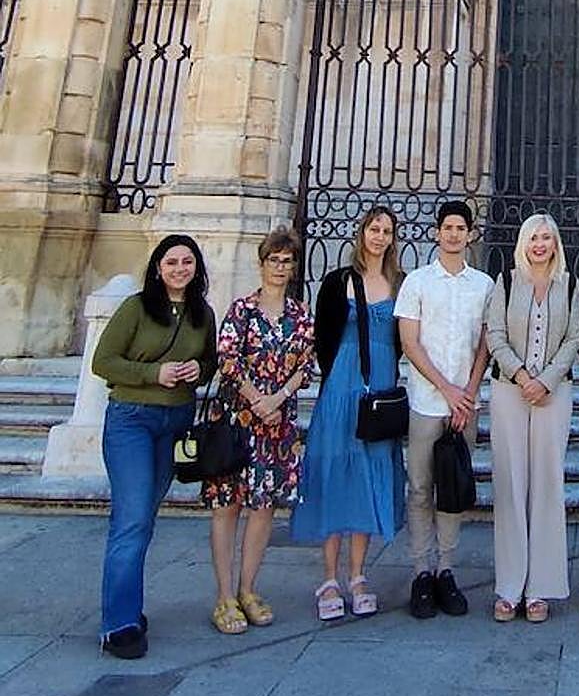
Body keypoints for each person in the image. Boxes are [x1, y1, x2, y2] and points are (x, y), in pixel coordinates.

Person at [93, 234, 217, 658]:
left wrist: (198, 369)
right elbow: (103, 361)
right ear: (158, 269)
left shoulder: (202, 313)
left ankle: (125, 605)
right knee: (131, 519)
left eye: (187, 262)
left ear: (197, 268)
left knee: (143, 518)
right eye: (171, 262)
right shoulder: (136, 308)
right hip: (132, 419)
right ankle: (119, 624)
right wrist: (154, 374)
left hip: (176, 421)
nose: (180, 269)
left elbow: (210, 362)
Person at [292, 206, 406, 620]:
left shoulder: (400, 283)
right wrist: (339, 377)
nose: (379, 237)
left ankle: (357, 575)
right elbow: (323, 337)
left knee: (368, 476)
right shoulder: (337, 281)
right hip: (342, 386)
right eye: (374, 229)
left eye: (387, 231)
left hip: (381, 389)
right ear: (362, 233)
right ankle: (328, 577)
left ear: (393, 239)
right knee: (336, 473)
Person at [202, 227, 314, 634]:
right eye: (274, 260)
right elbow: (227, 359)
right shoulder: (241, 310)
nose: (280, 267)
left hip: (276, 423)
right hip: (239, 420)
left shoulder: (300, 315)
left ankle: (248, 589)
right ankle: (224, 595)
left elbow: (306, 364)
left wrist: (277, 398)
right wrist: (257, 399)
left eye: (287, 261)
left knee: (264, 506)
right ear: (262, 264)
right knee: (227, 504)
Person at [395, 200, 493, 619]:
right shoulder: (417, 282)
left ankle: (446, 569)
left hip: (464, 405)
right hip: (426, 401)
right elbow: (409, 342)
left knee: (453, 488)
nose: (454, 234)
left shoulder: (484, 285)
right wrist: (446, 389)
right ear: (437, 232)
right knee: (420, 487)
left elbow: (486, 342)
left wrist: (467, 393)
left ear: (470, 234)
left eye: (460, 228)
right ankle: (421, 571)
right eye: (448, 227)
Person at [485, 214, 579, 623]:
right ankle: (510, 586)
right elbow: (494, 335)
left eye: (546, 238)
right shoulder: (506, 283)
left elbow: (573, 338)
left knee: (546, 484)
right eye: (533, 238)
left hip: (553, 394)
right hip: (510, 391)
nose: (540, 245)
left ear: (555, 243)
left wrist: (546, 380)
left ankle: (540, 587)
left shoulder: (570, 285)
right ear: (523, 244)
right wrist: (523, 376)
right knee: (510, 484)